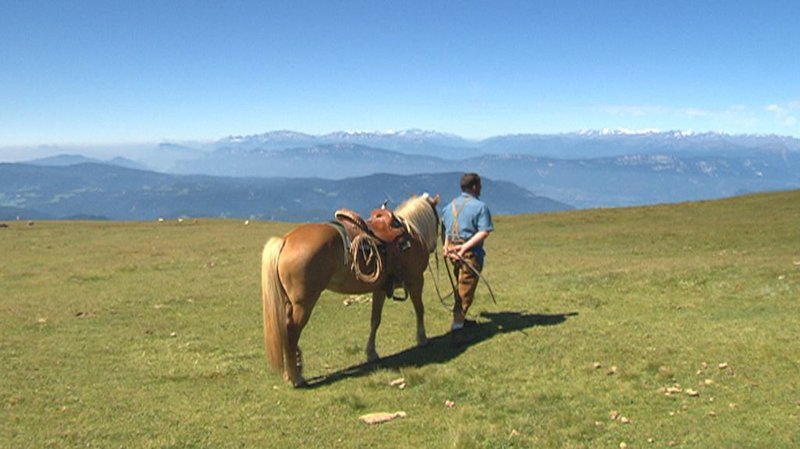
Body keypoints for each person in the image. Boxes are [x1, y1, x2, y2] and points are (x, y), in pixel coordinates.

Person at [441, 172, 494, 333]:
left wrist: (446, 246)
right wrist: (464, 248)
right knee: (465, 292)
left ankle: (461, 322)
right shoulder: (480, 207)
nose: (480, 189)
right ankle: (457, 330)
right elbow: (483, 232)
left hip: (453, 254)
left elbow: (443, 230)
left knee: (460, 285)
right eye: (479, 186)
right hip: (470, 254)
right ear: (474, 187)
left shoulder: (449, 207)